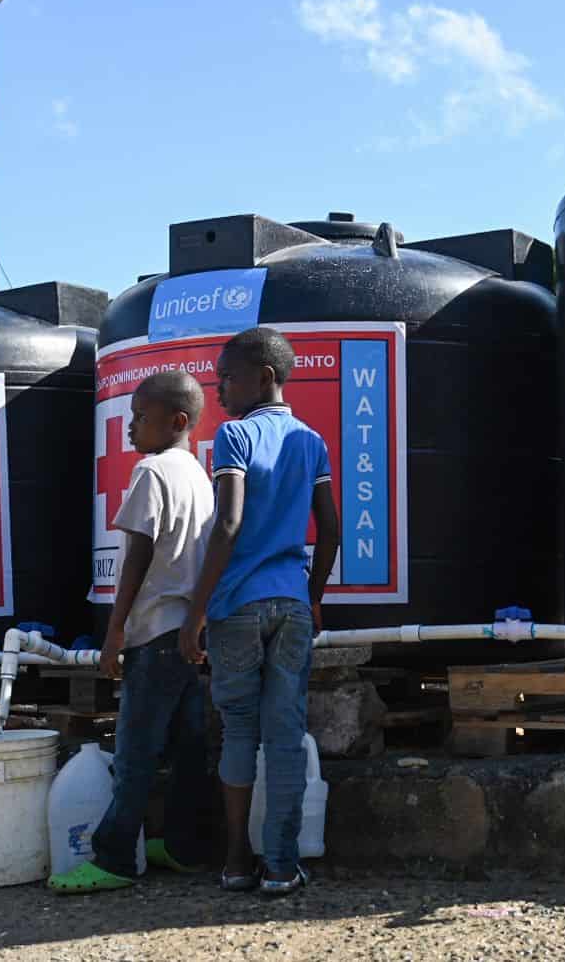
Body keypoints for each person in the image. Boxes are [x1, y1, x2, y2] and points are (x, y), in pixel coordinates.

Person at [183, 326, 340, 897]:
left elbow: (226, 526)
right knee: (284, 733)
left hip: (238, 606)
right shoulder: (311, 441)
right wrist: (314, 594)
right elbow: (332, 530)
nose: (218, 388)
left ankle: (234, 863)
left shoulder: (234, 436)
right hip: (292, 605)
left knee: (238, 732)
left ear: (264, 378)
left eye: (227, 377)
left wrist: (195, 613)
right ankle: (280, 866)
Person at [49, 371, 214, 894]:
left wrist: (114, 631)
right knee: (189, 746)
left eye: (141, 417)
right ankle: (185, 846)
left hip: (155, 633)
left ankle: (115, 857)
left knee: (136, 748)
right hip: (188, 634)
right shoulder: (197, 473)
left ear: (177, 421)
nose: (128, 426)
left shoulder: (152, 471)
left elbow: (138, 557)